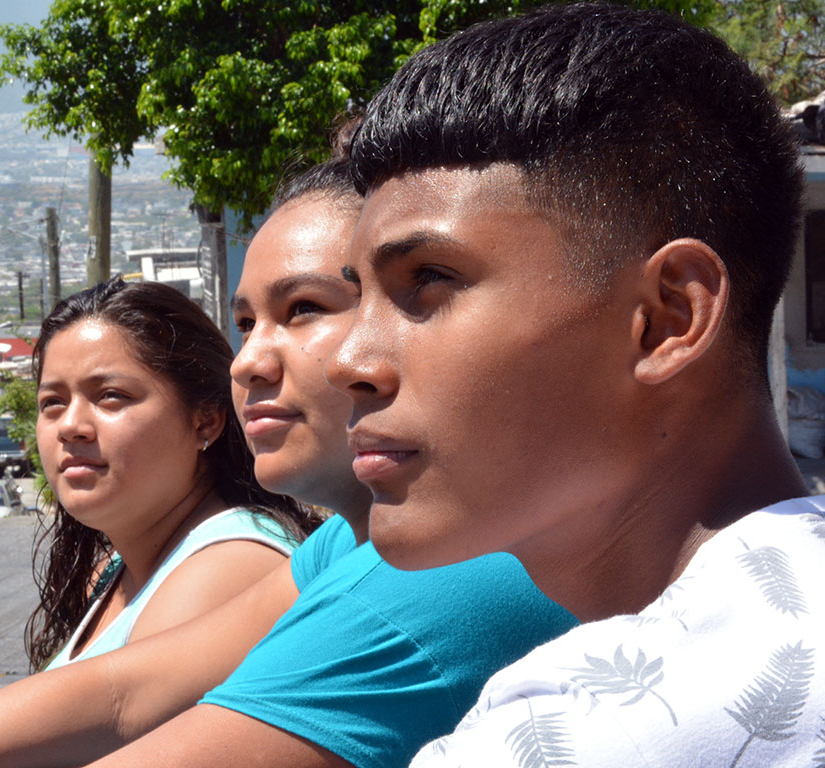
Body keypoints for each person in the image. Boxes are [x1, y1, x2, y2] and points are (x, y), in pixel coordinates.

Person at [0, 161, 576, 768]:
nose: (252, 361)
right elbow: (124, 692)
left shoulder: (444, 572)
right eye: (248, 322)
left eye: (308, 309)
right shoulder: (350, 546)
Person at [320, 4, 825, 765]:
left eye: (428, 280)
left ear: (667, 319)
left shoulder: (572, 736)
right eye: (354, 294)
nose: (348, 362)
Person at [24, 278, 316, 672]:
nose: (70, 426)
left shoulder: (228, 567)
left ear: (205, 421)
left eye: (111, 395)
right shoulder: (113, 572)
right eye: (53, 402)